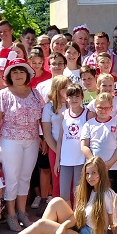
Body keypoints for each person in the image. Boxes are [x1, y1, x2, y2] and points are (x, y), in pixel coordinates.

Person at [0, 157, 115, 234]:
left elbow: (115, 224)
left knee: (43, 224)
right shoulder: (88, 191)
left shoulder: (107, 195)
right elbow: (77, 216)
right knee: (56, 202)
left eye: (94, 173)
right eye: (87, 173)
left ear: (102, 173)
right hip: (81, 229)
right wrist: (64, 226)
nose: (90, 177)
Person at [0, 58, 45, 231]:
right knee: (12, 176)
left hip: (32, 140)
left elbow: (41, 118)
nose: (18, 75)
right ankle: (11, 213)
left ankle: (22, 211)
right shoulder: (3, 94)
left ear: (27, 74)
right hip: (10, 139)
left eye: (21, 72)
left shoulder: (35, 94)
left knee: (25, 177)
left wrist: (43, 138)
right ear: (9, 76)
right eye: (15, 72)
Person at [81, 93, 117, 191]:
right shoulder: (89, 124)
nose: (103, 110)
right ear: (95, 107)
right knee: (93, 194)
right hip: (93, 169)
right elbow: (84, 146)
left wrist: (110, 163)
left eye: (106, 108)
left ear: (111, 108)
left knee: (110, 195)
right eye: (100, 108)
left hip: (112, 168)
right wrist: (94, 162)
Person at [41, 75, 72, 204]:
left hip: (72, 148)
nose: (68, 90)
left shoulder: (73, 105)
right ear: (58, 89)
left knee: (72, 181)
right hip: (55, 149)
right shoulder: (49, 107)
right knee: (57, 180)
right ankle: (58, 208)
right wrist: (58, 152)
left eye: (69, 87)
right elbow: (47, 133)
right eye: (65, 87)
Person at [56, 84, 89, 203]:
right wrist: (57, 160)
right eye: (71, 96)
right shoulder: (64, 114)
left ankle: (77, 214)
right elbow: (60, 138)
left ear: (82, 97)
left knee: (78, 193)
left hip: (80, 160)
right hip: (65, 160)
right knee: (64, 194)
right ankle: (67, 214)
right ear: (66, 98)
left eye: (77, 96)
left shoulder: (88, 114)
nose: (74, 99)